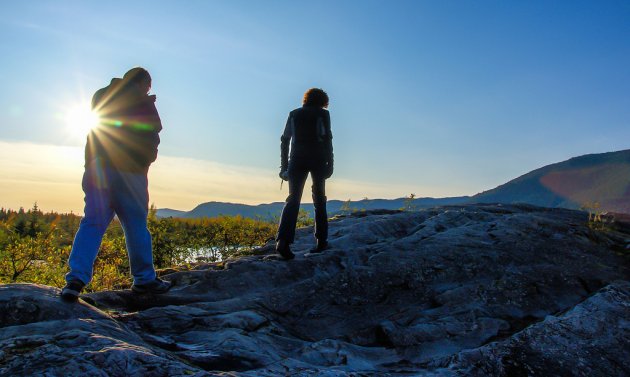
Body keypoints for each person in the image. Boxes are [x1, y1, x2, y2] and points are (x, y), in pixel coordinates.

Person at [61, 67, 171, 301]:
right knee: (135, 225)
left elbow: (98, 127)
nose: (149, 90)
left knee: (92, 222)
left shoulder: (101, 95)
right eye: (148, 86)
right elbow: (152, 132)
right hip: (129, 171)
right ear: (143, 83)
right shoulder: (142, 101)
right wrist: (145, 160)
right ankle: (144, 280)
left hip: (97, 167)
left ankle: (75, 281)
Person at [275, 88, 334, 259]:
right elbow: (327, 140)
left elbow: (285, 140)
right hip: (318, 159)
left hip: (297, 160)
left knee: (293, 199)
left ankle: (282, 242)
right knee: (319, 199)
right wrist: (330, 164)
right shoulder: (323, 114)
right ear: (323, 100)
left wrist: (284, 167)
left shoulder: (294, 114)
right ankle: (321, 241)